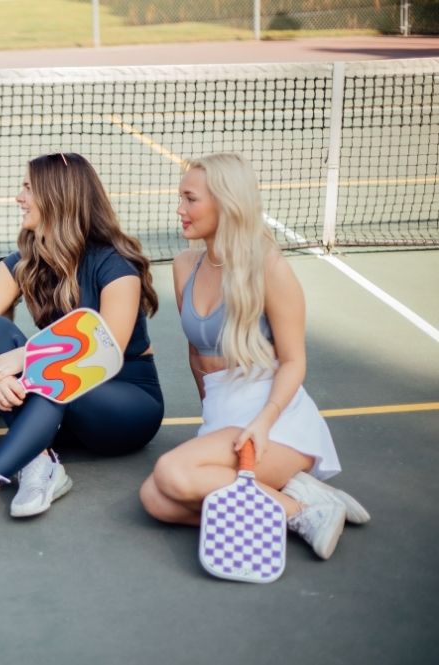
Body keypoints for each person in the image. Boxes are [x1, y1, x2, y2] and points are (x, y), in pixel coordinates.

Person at [0, 152, 164, 536]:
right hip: (59, 398)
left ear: (57, 197)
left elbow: (102, 350)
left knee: (53, 373)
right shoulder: (26, 260)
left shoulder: (116, 267)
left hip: (124, 406)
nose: (19, 197)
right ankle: (41, 461)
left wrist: (22, 358)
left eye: (28, 188)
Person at [139, 152, 369, 560]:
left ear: (227, 203)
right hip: (223, 418)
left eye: (190, 199)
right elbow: (197, 354)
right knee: (156, 500)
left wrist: (262, 424)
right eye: (181, 198)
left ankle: (304, 511)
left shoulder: (269, 268)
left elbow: (294, 360)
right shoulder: (183, 265)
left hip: (275, 423)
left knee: (173, 474)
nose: (180, 209)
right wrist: (209, 419)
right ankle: (293, 496)